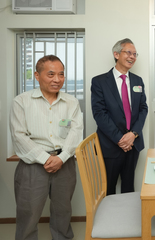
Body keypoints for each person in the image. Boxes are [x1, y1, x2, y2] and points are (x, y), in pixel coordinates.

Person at [10, 55, 83, 240]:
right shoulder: (21, 101)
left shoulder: (71, 102)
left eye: (61, 74)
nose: (57, 79)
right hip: (32, 167)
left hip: (64, 164)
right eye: (50, 74)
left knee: (63, 213)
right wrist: (45, 159)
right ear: (37, 75)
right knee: (28, 215)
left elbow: (76, 132)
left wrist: (62, 157)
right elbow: (19, 136)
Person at [91, 38, 148, 195]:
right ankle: (109, 220)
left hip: (133, 144)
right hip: (110, 145)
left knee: (129, 187)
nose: (132, 57)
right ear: (116, 54)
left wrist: (133, 134)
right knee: (108, 188)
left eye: (135, 54)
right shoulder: (99, 82)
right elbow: (99, 113)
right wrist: (121, 139)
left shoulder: (138, 81)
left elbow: (143, 109)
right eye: (128, 52)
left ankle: (128, 219)